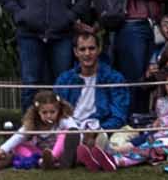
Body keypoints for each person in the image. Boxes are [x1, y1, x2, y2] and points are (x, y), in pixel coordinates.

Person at [52, 26, 130, 169]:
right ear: (75, 52)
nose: (87, 53)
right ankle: (81, 154)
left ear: (99, 50)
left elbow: (119, 114)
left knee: (116, 137)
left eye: (91, 48)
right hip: (71, 130)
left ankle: (77, 155)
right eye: (82, 49)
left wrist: (98, 130)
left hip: (100, 127)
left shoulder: (114, 78)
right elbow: (56, 111)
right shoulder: (64, 79)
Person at [0, 89, 73, 173]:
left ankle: (51, 160)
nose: (49, 116)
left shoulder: (63, 119)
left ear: (58, 110)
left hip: (59, 154)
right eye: (44, 112)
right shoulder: (33, 123)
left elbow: (75, 131)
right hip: (39, 154)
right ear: (38, 113)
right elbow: (18, 136)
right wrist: (2, 150)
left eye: (52, 112)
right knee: (18, 146)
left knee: (65, 134)